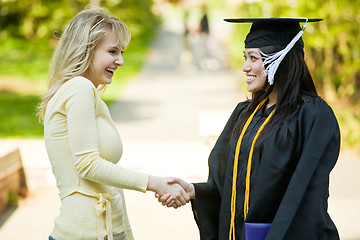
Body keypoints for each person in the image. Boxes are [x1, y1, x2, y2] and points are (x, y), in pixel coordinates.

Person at [159, 17, 341, 240]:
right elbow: (226, 180)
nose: (245, 66)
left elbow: (304, 194)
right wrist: (195, 191)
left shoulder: (312, 115)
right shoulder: (244, 113)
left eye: (253, 58)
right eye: (245, 57)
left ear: (280, 59)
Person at [37, 6, 189, 240]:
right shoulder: (79, 88)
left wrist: (126, 234)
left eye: (122, 52)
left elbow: (108, 184)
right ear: (86, 50)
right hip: (83, 233)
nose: (120, 61)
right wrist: (155, 183)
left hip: (106, 231)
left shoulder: (86, 93)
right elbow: (87, 164)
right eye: (112, 51)